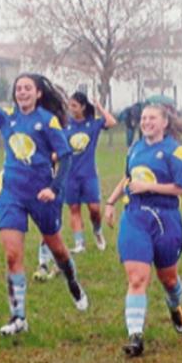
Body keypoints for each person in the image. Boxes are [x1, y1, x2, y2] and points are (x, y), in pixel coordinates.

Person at [0, 65, 88, 335]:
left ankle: (72, 281)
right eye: (18, 89)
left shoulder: (47, 121)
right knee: (11, 256)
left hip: (42, 194)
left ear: (38, 93)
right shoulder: (6, 118)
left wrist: (54, 189)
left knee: (57, 249)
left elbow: (65, 156)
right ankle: (18, 317)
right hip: (12, 193)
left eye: (27, 88)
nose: (22, 92)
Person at [103, 102, 182, 357]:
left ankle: (175, 306)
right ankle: (135, 336)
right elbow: (128, 179)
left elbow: (181, 188)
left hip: (166, 218)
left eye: (152, 118)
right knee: (136, 279)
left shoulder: (176, 152)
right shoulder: (134, 148)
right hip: (135, 216)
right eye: (144, 118)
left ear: (165, 123)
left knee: (168, 279)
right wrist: (111, 202)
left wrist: (149, 188)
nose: (146, 122)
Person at [59, 91, 119, 253]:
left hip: (88, 175)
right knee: (74, 209)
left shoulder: (92, 124)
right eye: (69, 105)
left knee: (94, 209)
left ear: (83, 107)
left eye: (74, 106)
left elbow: (112, 122)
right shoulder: (65, 125)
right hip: (69, 176)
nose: (71, 109)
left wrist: (99, 106)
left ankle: (97, 230)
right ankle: (80, 244)